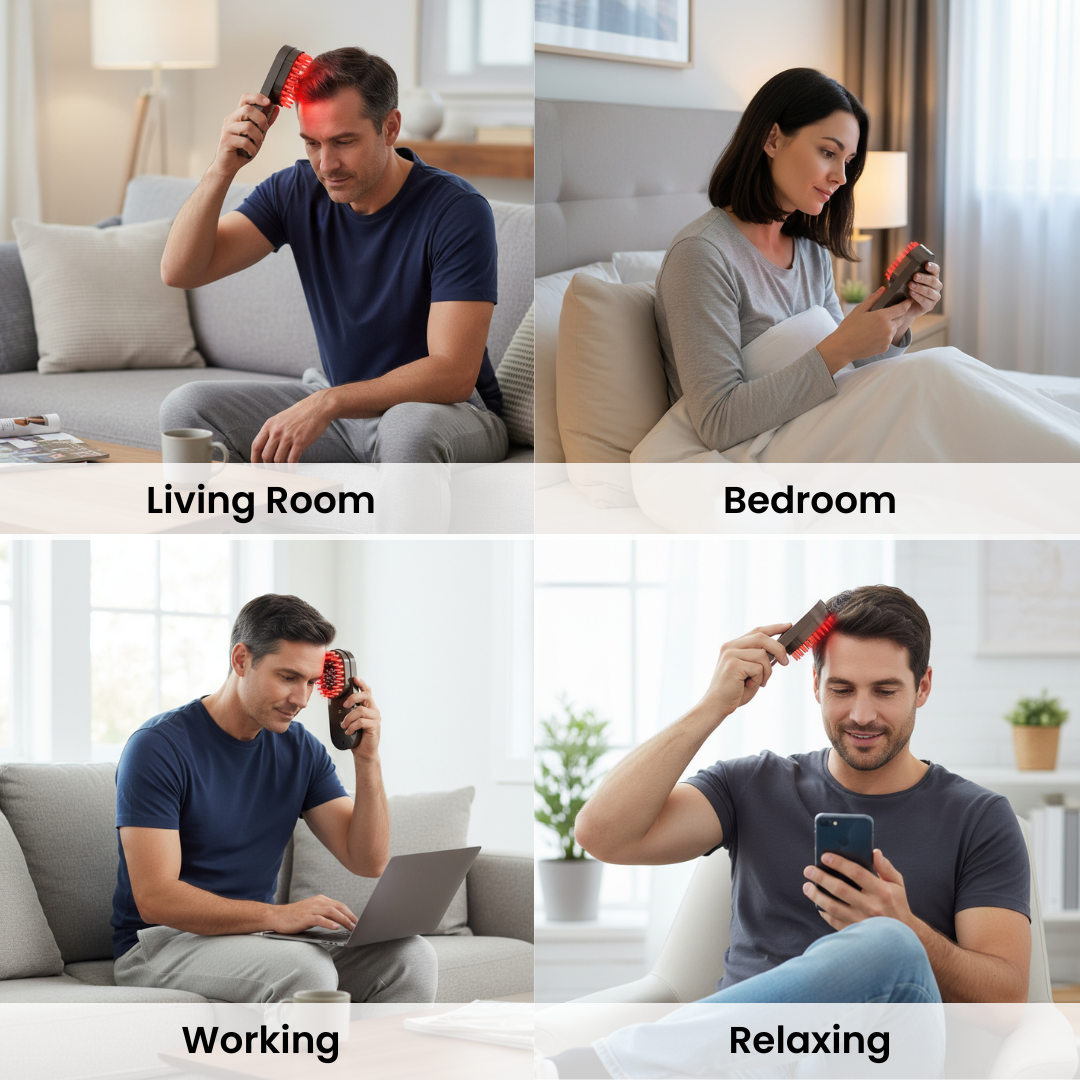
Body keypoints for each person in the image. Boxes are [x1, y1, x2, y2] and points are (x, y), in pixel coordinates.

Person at [554, 585, 1030, 1078]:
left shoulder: (978, 817)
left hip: (877, 1061)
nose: (862, 714)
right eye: (842, 689)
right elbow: (601, 835)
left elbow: (1005, 1004)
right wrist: (713, 705)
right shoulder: (752, 785)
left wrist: (906, 927)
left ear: (923, 687)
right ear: (816, 684)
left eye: (885, 691)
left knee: (890, 944)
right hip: (744, 1062)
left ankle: (596, 1070)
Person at [654, 67, 1080, 463]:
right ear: (772, 140)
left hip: (828, 420)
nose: (841, 177)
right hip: (771, 447)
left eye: (848, 161)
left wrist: (898, 323)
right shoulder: (702, 255)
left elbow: (855, 376)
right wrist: (840, 346)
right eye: (828, 152)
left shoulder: (810, 253)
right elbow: (719, 421)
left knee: (962, 380)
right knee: (937, 374)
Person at [158, 47, 507, 465]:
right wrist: (222, 169)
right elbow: (180, 271)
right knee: (187, 408)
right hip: (342, 410)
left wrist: (328, 402)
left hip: (444, 413)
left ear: (390, 128)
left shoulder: (456, 210)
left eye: (344, 142)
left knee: (407, 430)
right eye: (312, 143)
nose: (326, 165)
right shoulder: (296, 190)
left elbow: (453, 373)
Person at [110, 593, 437, 1003]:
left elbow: (368, 861)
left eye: (311, 683)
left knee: (411, 957)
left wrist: (367, 758)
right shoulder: (157, 747)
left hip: (256, 938)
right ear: (241, 660)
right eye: (288, 677)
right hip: (161, 943)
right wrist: (279, 915)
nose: (301, 699)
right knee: (308, 969)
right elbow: (155, 898)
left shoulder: (301, 750)